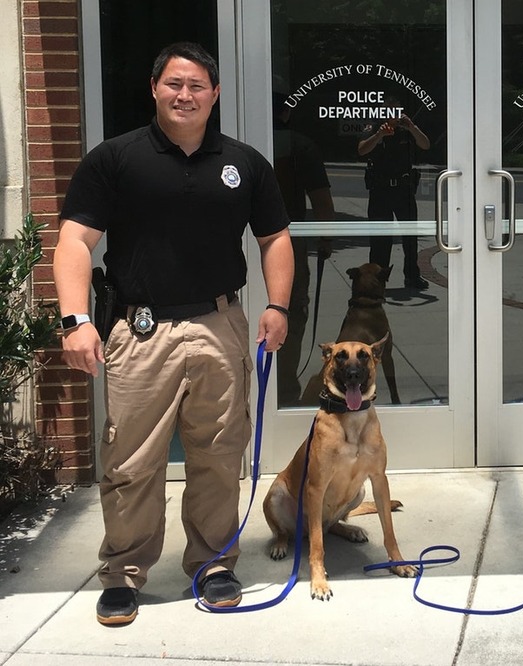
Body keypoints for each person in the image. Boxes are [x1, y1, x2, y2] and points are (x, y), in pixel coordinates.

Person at [53, 42, 293, 626]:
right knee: (131, 459)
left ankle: (213, 565)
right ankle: (124, 573)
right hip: (139, 331)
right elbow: (74, 242)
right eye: (174, 84)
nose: (185, 95)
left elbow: (275, 239)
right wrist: (75, 320)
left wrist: (278, 306)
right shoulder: (115, 159)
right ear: (155, 89)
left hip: (220, 324)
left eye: (197, 86)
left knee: (218, 454)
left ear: (214, 94)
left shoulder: (244, 163)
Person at [271, 92, 335, 406]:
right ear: (285, 113)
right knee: (291, 314)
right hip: (289, 240)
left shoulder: (233, 142)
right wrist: (326, 237)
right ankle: (283, 392)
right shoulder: (300, 145)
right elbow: (321, 198)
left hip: (240, 239)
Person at [358, 110, 431, 290]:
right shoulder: (374, 127)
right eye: (390, 111)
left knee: (410, 237)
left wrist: (412, 127)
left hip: (403, 189)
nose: (394, 116)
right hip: (380, 190)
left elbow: (425, 145)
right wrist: (379, 135)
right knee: (380, 239)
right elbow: (362, 149)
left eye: (397, 111)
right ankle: (377, 279)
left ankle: (412, 276)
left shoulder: (406, 130)